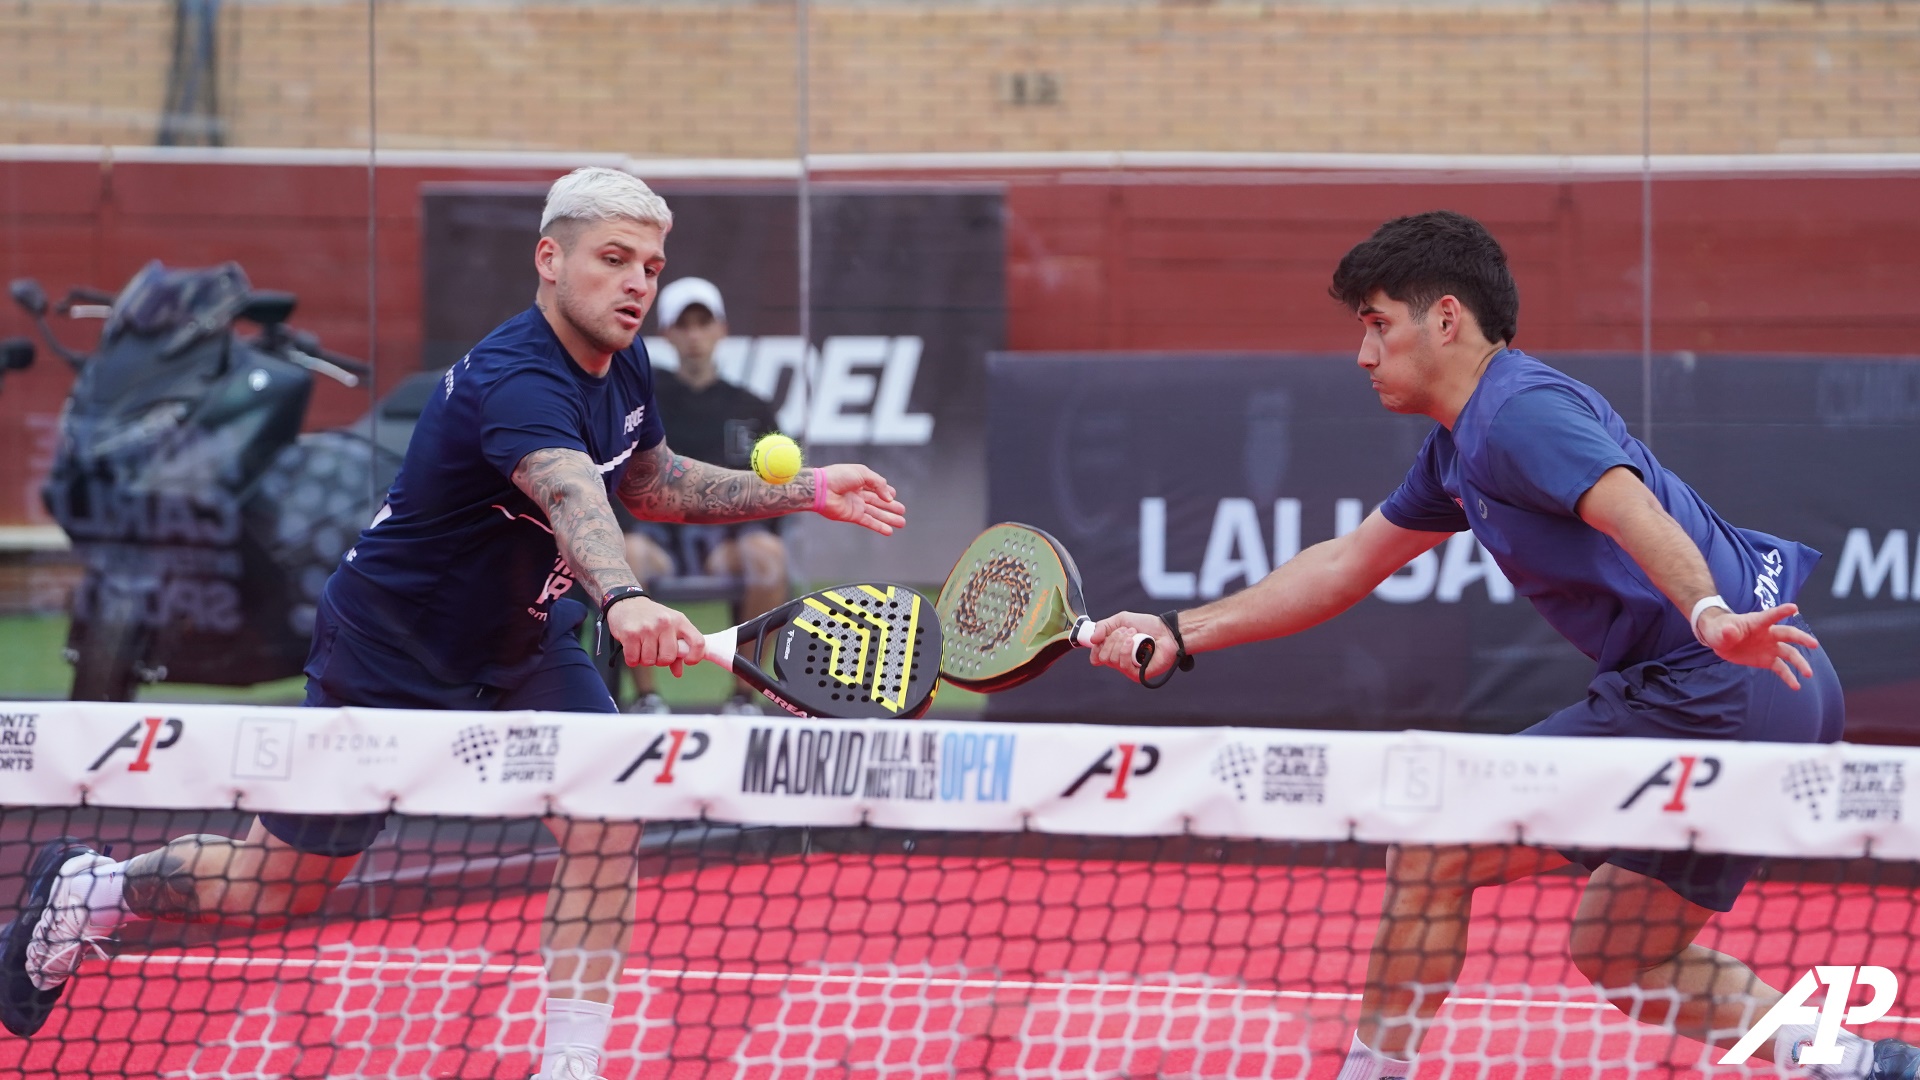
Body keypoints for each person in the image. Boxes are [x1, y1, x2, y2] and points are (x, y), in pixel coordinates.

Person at [0, 167, 908, 1080]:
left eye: (652, 266)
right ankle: (94, 889)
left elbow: (648, 480)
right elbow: (569, 490)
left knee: (608, 817)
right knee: (274, 885)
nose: (638, 284)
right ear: (549, 260)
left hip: (527, 645)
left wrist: (809, 489)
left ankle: (571, 1064)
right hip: (392, 655)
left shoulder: (622, 359)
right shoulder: (514, 379)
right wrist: (627, 598)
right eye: (614, 259)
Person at [1085, 211, 1917, 1079]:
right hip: (1788, 680)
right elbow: (1345, 565)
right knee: (1623, 950)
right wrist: (1178, 633)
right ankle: (1850, 1061)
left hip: (1711, 676)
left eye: (1378, 326)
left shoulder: (1516, 413)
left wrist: (1709, 616)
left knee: (1436, 844)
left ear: (1445, 318)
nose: (1364, 356)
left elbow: (1632, 507)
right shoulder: (1458, 450)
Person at [617, 276, 787, 716]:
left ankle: (743, 698)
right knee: (626, 553)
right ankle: (647, 698)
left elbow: (774, 495)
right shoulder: (642, 398)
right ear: (667, 334)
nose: (694, 335)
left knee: (767, 553)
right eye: (683, 325)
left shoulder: (753, 406)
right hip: (656, 540)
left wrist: (752, 529)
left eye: (703, 323)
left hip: (723, 542)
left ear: (721, 329)